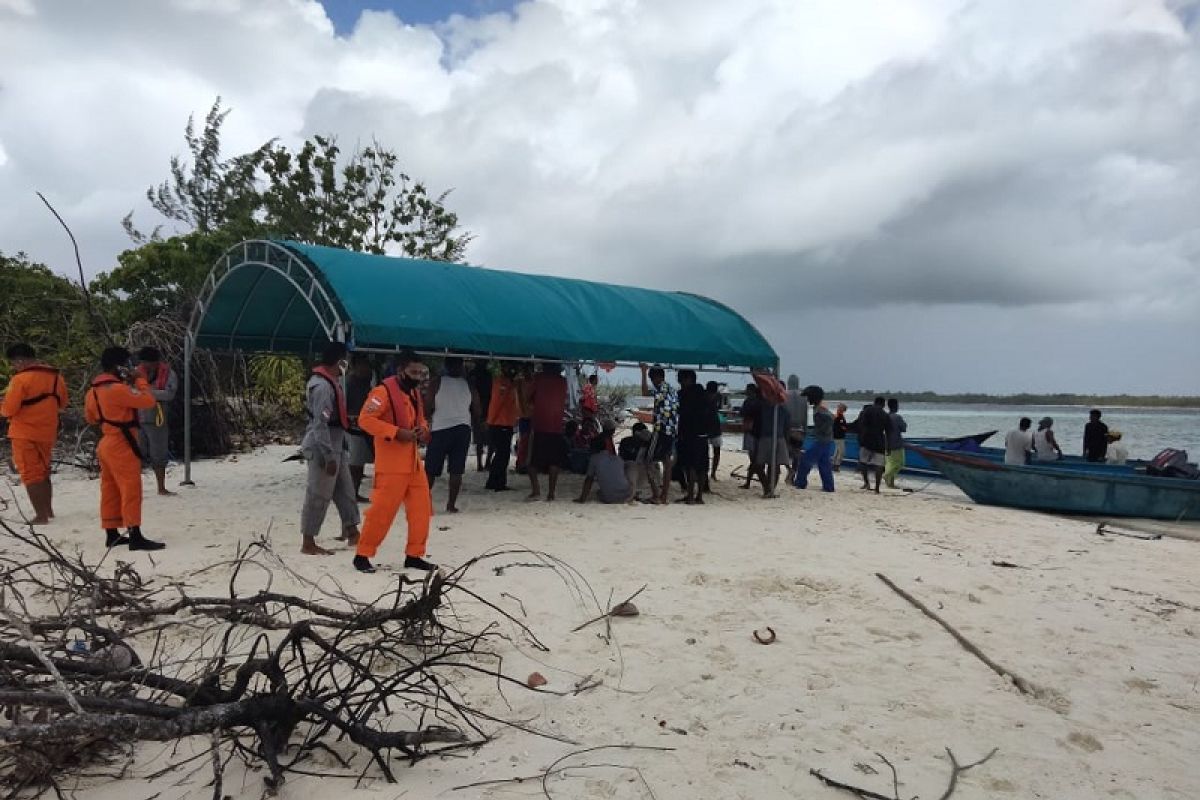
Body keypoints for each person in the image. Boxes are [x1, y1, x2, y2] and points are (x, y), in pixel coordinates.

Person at [354, 350, 434, 573]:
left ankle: (414, 555)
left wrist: (423, 430)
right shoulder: (382, 392)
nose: (417, 376)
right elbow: (365, 420)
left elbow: (422, 420)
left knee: (421, 511)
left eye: (421, 372)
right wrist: (396, 432)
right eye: (413, 372)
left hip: (414, 464)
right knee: (382, 512)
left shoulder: (415, 394)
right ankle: (362, 555)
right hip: (391, 466)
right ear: (400, 371)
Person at [84, 346, 165, 550]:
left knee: (109, 488)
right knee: (130, 489)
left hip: (106, 441)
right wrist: (139, 380)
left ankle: (111, 533)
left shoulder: (93, 390)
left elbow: (91, 417)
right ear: (119, 366)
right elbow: (147, 401)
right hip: (122, 442)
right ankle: (135, 534)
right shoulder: (117, 389)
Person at [299, 342, 361, 555]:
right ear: (340, 361)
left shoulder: (331, 381)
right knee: (318, 493)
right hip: (322, 446)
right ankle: (308, 541)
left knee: (345, 489)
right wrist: (328, 456)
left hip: (336, 442)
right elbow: (320, 423)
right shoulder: (323, 386)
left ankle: (353, 531)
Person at [1, 343, 68, 524]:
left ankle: (41, 516)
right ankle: (48, 510)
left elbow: (8, 410)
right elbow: (62, 403)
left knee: (31, 474)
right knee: (44, 471)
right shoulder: (56, 377)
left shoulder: (20, 379)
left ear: (20, 361)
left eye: (14, 363)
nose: (14, 367)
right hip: (47, 430)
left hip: (24, 431)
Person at [424, 357, 479, 513]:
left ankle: (424, 503)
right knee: (456, 470)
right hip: (462, 428)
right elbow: (477, 408)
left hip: (440, 428)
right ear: (461, 366)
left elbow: (428, 405)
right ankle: (451, 504)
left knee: (431, 470)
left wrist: (428, 416)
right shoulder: (468, 384)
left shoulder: (436, 382)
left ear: (445, 366)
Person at [133, 347, 178, 497]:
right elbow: (129, 392)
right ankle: (135, 488)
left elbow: (169, 394)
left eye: (148, 363)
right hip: (137, 419)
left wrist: (147, 393)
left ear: (156, 362)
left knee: (159, 454)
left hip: (158, 419)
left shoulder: (169, 374)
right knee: (135, 454)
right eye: (144, 363)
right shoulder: (135, 374)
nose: (146, 366)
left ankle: (161, 487)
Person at [528, 362, 568, 501]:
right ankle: (551, 493)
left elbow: (528, 396)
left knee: (532, 463)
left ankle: (536, 490)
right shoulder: (563, 381)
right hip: (556, 426)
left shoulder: (538, 379)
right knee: (554, 463)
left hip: (540, 424)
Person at [640, 364, 678, 504]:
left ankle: (657, 494)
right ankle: (664, 496)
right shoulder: (672, 389)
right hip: (672, 429)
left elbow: (644, 392)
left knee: (647, 460)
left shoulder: (660, 389)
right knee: (666, 462)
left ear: (655, 377)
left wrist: (643, 372)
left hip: (661, 429)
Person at [675, 369, 710, 504]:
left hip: (690, 434)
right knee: (702, 466)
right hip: (703, 434)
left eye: (681, 379)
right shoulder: (704, 394)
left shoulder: (683, 394)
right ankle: (699, 496)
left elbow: (679, 411)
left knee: (691, 466)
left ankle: (690, 496)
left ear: (688, 379)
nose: (679, 382)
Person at [484, 362, 520, 492]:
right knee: (502, 455)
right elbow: (498, 402)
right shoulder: (502, 383)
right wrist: (491, 420)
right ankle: (497, 483)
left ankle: (494, 481)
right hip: (500, 423)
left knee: (501, 454)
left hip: (504, 422)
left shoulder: (505, 383)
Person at [345, 353, 375, 502]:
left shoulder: (366, 381)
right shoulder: (350, 383)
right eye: (363, 364)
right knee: (356, 462)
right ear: (355, 366)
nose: (366, 368)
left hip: (365, 426)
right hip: (354, 427)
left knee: (359, 461)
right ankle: (352, 493)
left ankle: (353, 492)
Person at [794, 386, 834, 492]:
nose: (807, 400)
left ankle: (800, 483)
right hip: (827, 440)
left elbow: (830, 419)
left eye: (808, 397)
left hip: (821, 440)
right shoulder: (819, 407)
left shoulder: (820, 409)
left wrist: (821, 430)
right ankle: (828, 486)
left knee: (805, 460)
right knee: (824, 464)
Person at [576, 428, 632, 504]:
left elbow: (589, 480)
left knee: (598, 493)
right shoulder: (618, 459)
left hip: (610, 497)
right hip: (627, 493)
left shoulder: (594, 459)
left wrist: (582, 498)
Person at [753, 398, 791, 498]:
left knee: (769, 466)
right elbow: (787, 427)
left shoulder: (781, 409)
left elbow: (786, 427)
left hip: (773, 438)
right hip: (772, 437)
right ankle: (769, 489)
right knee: (768, 466)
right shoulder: (767, 408)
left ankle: (768, 489)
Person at [854, 397, 890, 493]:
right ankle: (877, 488)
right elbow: (888, 431)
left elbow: (861, 425)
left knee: (863, 462)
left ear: (874, 402)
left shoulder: (867, 411)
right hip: (879, 440)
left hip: (867, 439)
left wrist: (861, 438)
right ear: (883, 404)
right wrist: (888, 446)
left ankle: (867, 483)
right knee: (879, 465)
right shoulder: (885, 414)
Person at [619, 422, 653, 501]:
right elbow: (622, 458)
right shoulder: (626, 442)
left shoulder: (647, 444)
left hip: (641, 471)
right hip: (630, 469)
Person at [784, 375, 809, 481]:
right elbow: (805, 415)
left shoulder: (784, 394)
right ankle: (792, 476)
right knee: (796, 454)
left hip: (787, 428)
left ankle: (789, 469)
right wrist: (805, 430)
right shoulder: (804, 397)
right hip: (799, 428)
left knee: (782, 452)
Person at [470, 360, 493, 472]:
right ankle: (484, 462)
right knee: (486, 439)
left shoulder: (473, 375)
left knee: (482, 439)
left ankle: (483, 463)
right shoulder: (486, 375)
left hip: (482, 408)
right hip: (484, 408)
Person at [883, 398, 907, 489]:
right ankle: (886, 475)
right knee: (900, 463)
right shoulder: (897, 417)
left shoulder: (885, 416)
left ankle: (890, 483)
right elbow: (904, 428)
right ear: (895, 406)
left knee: (890, 463)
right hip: (896, 443)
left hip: (886, 443)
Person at [705, 381, 724, 482]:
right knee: (710, 452)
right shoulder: (707, 397)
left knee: (716, 452)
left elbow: (718, 407)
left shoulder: (717, 396)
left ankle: (712, 473)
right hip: (709, 426)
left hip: (713, 427)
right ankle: (711, 473)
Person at [831, 403, 849, 472]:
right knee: (841, 451)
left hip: (836, 436)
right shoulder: (840, 417)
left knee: (837, 451)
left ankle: (833, 464)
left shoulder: (836, 416)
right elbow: (842, 426)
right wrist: (846, 428)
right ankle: (836, 465)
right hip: (839, 436)